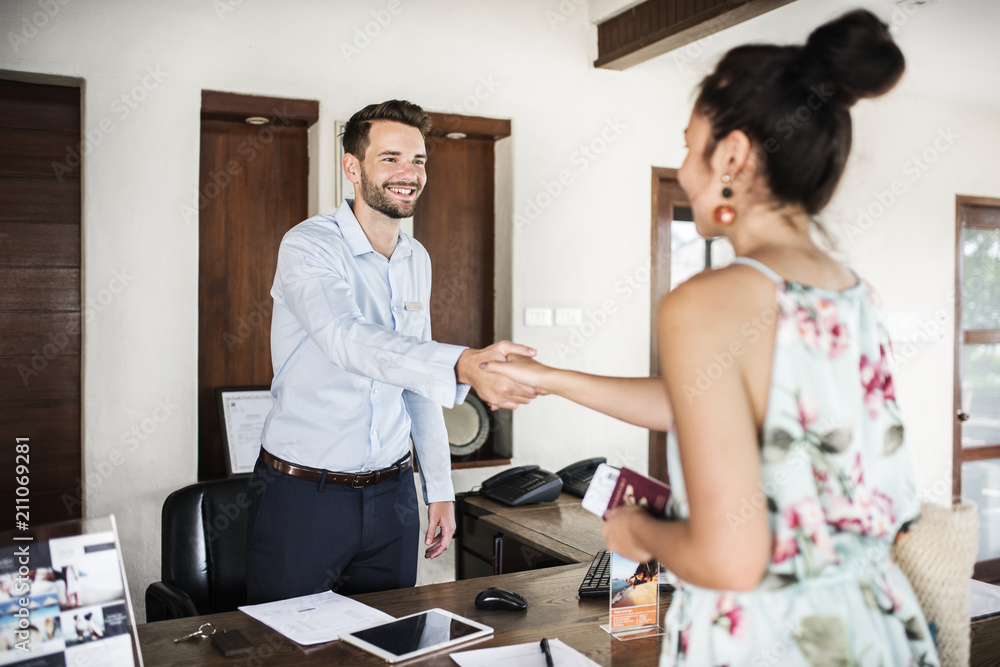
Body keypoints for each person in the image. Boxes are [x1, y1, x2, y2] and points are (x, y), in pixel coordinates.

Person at [485, 10, 939, 665]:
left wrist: (635, 529)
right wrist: (547, 378)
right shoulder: (851, 291)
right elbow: (699, 401)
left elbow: (729, 558)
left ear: (730, 155)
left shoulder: (708, 299)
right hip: (875, 625)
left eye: (688, 144)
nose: (686, 169)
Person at [245, 100, 537, 604]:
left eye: (419, 160)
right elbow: (345, 337)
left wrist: (439, 489)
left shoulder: (414, 258)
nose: (409, 173)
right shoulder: (308, 246)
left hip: (392, 498)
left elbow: (415, 382)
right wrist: (460, 362)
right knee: (288, 651)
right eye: (391, 158)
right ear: (352, 167)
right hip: (302, 496)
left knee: (389, 644)